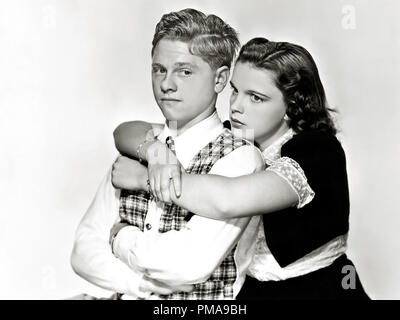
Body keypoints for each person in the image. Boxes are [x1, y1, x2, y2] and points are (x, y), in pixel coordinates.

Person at [112, 37, 370, 299]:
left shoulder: (318, 150)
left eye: (255, 98)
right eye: (235, 90)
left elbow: (228, 199)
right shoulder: (236, 137)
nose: (236, 106)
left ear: (291, 106)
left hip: (319, 291)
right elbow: (126, 131)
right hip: (250, 291)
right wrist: (156, 153)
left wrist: (146, 179)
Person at [70, 8, 265, 300]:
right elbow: (83, 249)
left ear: (220, 79)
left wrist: (119, 236)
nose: (166, 84)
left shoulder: (240, 157)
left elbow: (188, 266)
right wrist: (137, 285)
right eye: (159, 69)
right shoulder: (140, 146)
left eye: (184, 71)